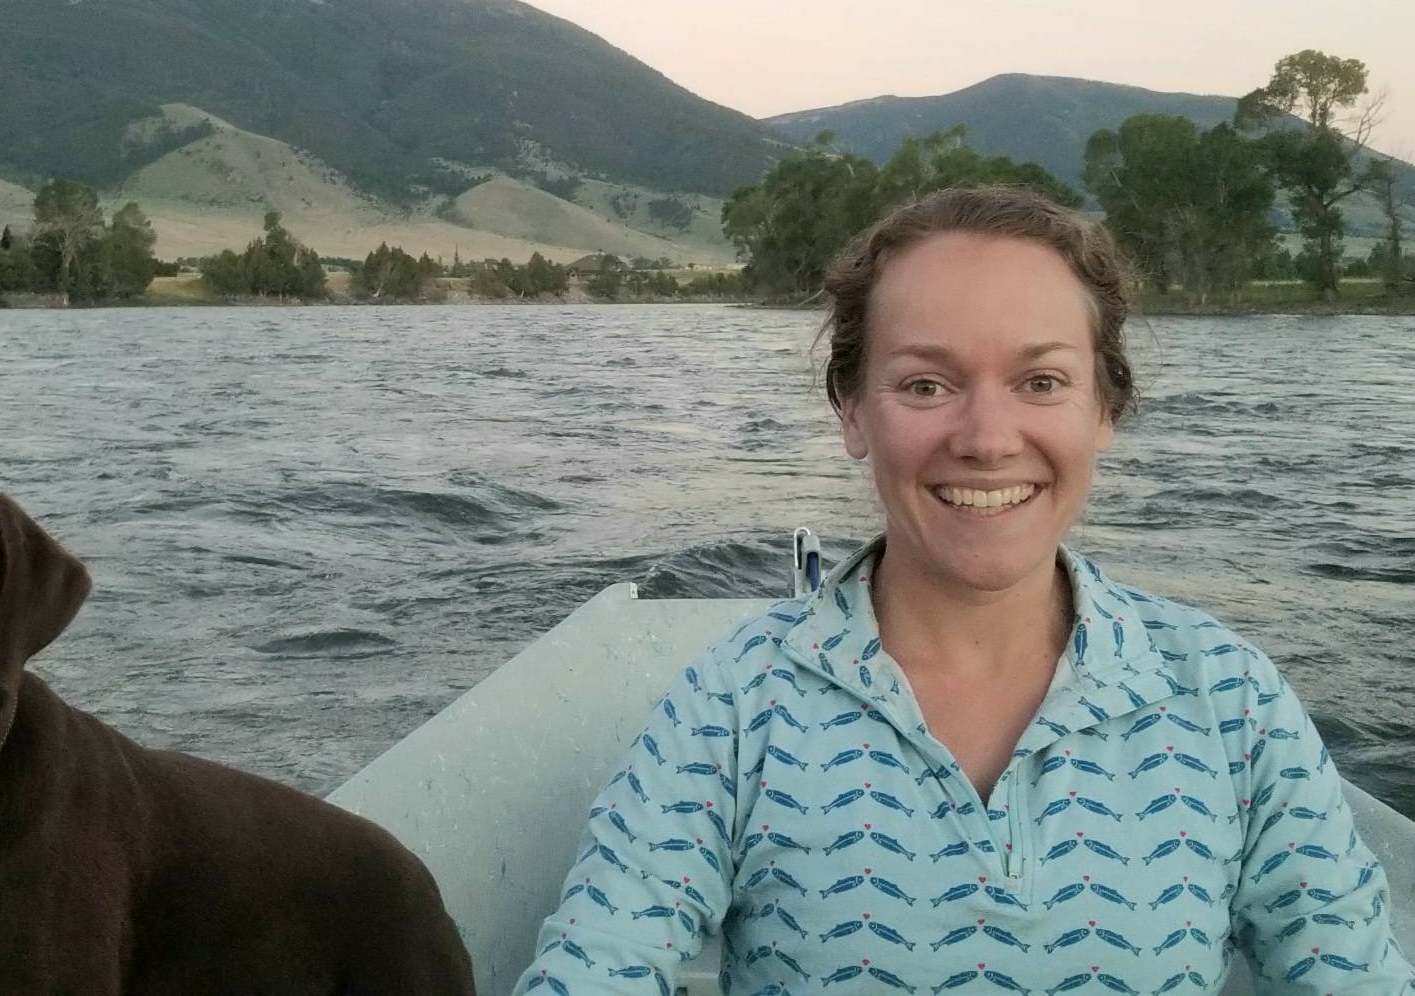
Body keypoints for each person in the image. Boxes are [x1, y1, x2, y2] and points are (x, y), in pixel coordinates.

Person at [515, 188, 1414, 995]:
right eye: (927, 384)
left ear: (1104, 408)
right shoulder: (735, 708)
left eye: (1041, 381)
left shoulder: (1226, 697)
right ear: (854, 412)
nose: (987, 438)